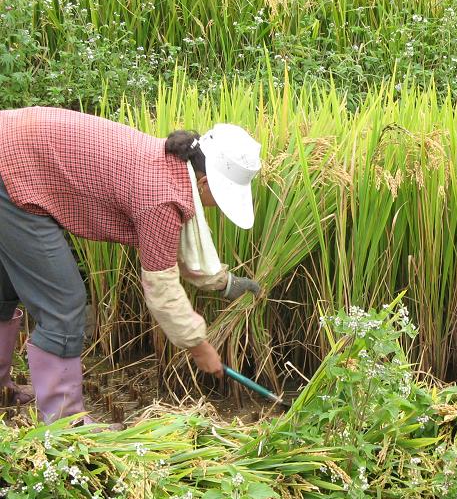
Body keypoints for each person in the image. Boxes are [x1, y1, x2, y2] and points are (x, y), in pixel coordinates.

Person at [0, 106, 262, 425]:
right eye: (221, 197)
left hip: (14, 149)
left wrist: (225, 283)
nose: (218, 206)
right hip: (13, 169)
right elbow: (161, 290)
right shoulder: (161, 197)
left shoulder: (174, 165)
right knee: (63, 304)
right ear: (205, 182)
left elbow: (184, 243)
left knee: (5, 288)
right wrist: (199, 346)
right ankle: (65, 428)